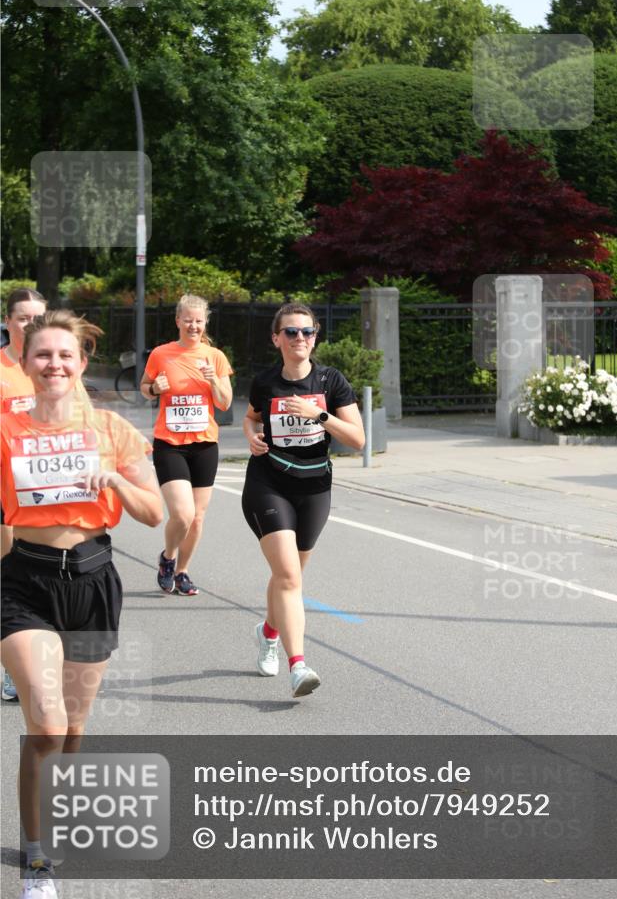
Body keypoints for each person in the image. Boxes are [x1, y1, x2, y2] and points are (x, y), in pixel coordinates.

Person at [0, 310, 162, 899]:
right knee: (44, 724)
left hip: (93, 582)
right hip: (24, 583)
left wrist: (113, 480)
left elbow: (154, 513)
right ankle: (37, 861)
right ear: (25, 362)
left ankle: (53, 814)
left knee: (71, 729)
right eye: (43, 355)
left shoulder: (112, 429)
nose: (54, 365)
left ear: (82, 363)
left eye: (65, 356)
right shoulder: (4, 428)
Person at [242, 302, 365, 698]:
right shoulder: (265, 382)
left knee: (289, 575)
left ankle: (268, 632)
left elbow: (359, 439)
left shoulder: (331, 381)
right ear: (276, 338)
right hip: (268, 484)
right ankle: (299, 666)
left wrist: (319, 416)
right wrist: (251, 435)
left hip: (314, 488)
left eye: (307, 332)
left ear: (316, 337)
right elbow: (250, 416)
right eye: (291, 332)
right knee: (290, 576)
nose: (300, 339)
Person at [140, 294, 233, 596]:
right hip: (169, 443)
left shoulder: (215, 357)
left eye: (199, 320)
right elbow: (144, 388)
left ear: (205, 322)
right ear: (177, 321)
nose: (193, 325)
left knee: (198, 517)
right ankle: (168, 558)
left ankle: (183, 571)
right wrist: (155, 388)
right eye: (188, 320)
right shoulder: (161, 354)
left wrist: (213, 381)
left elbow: (225, 402)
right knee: (182, 514)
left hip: (204, 444)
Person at [1, 288, 47, 703]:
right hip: (5, 488)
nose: (31, 326)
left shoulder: (53, 366)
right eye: (23, 319)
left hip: (48, 489)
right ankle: (13, 667)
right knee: (11, 571)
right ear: (8, 322)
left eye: (39, 318)